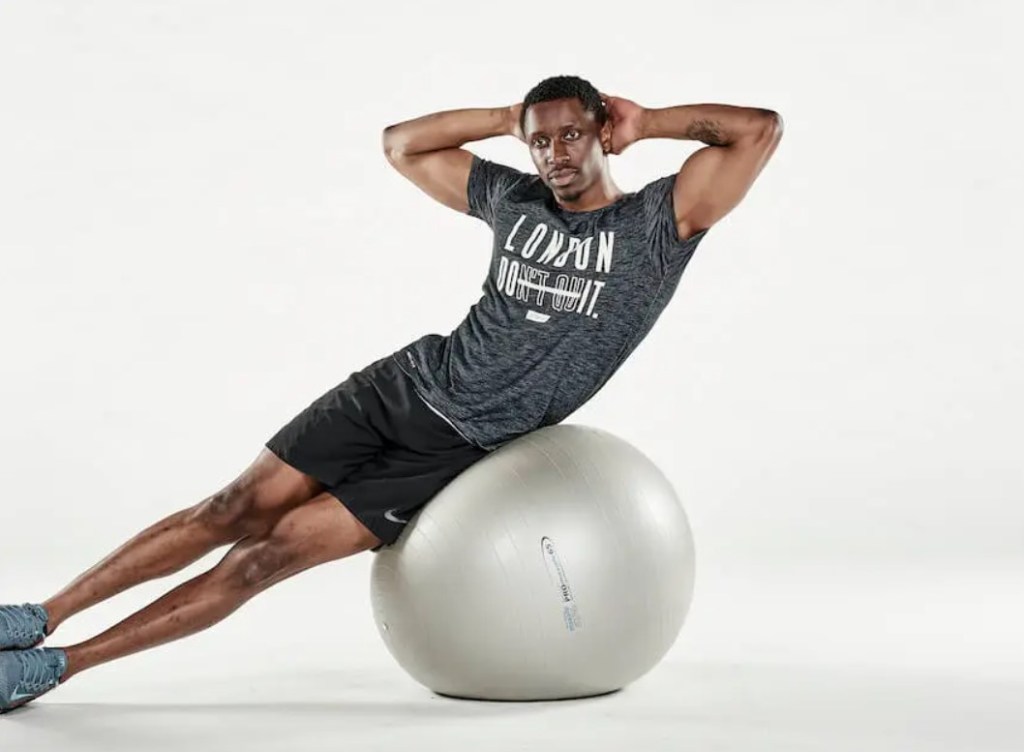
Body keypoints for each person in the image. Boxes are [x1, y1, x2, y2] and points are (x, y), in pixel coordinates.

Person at [0, 74, 782, 712]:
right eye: (541, 141)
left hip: (451, 452)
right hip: (399, 387)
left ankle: (56, 668)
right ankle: (41, 617)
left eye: (570, 134)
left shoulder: (656, 226)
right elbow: (401, 144)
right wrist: (506, 118)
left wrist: (647, 123)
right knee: (227, 511)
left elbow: (757, 129)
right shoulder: (515, 200)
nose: (553, 154)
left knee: (261, 560)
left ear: (600, 129)